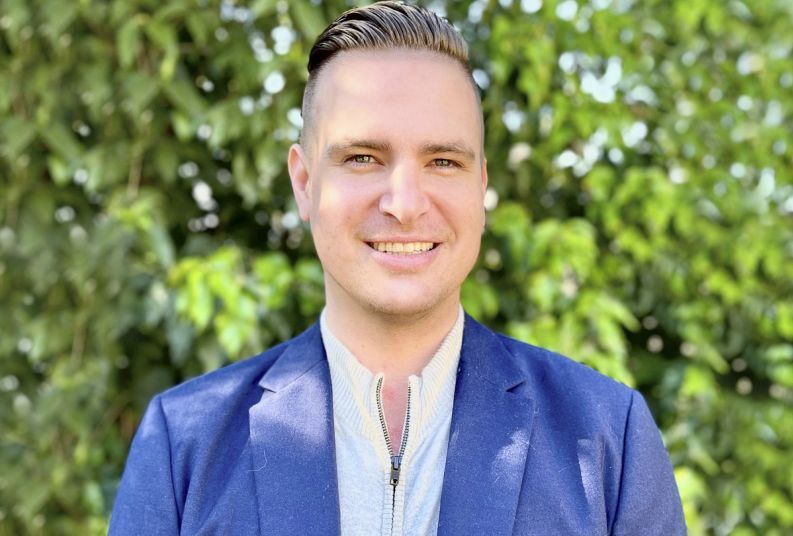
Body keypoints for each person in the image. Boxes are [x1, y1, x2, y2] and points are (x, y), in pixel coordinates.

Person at [109, 2, 686, 534]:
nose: (405, 203)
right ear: (304, 183)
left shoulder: (608, 437)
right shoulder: (184, 443)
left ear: (481, 184)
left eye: (443, 161)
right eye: (363, 158)